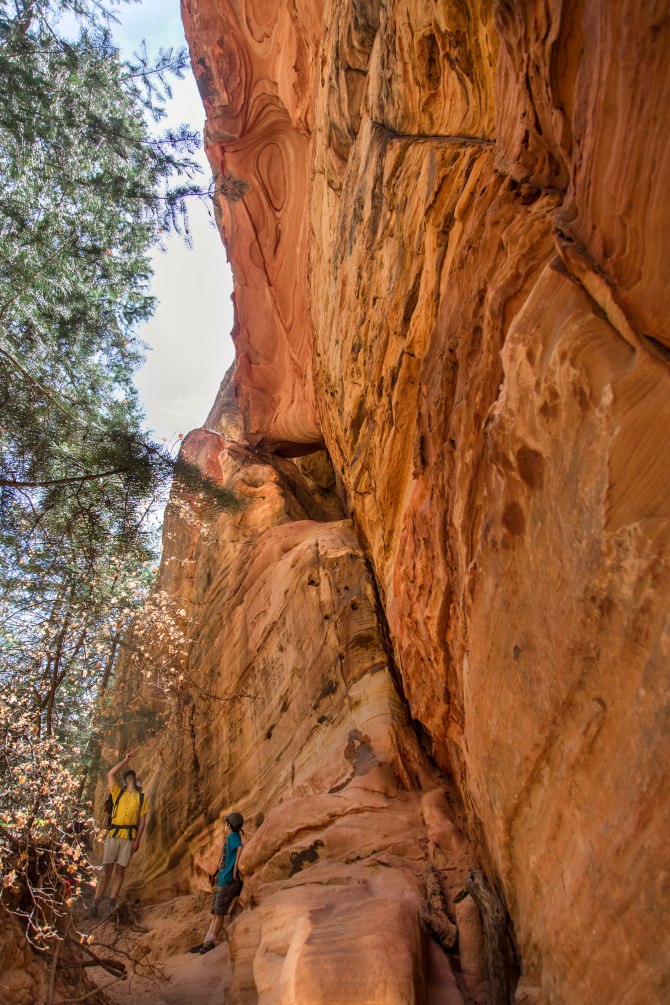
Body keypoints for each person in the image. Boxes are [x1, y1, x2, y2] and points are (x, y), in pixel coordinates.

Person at [89, 749, 149, 919]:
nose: (130, 777)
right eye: (128, 775)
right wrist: (125, 761)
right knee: (106, 871)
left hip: (129, 838)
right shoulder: (118, 794)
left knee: (120, 872)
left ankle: (110, 903)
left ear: (136, 780)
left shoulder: (141, 798)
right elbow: (110, 773)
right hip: (114, 835)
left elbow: (142, 821)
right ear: (124, 780)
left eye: (133, 775)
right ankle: (95, 904)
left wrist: (137, 840)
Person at [189, 812, 244, 954]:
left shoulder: (233, 837)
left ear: (229, 825)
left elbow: (240, 848)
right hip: (222, 881)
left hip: (227, 881)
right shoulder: (231, 837)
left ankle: (211, 941)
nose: (224, 827)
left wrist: (235, 869)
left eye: (225, 824)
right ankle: (206, 941)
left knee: (219, 913)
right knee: (215, 913)